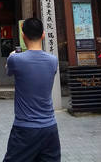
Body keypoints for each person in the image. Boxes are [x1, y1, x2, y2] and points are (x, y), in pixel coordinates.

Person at [4, 18, 60, 161]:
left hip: (25, 129)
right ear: (43, 35)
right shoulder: (53, 60)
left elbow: (8, 71)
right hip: (50, 128)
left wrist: (11, 56)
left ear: (23, 36)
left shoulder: (15, 60)